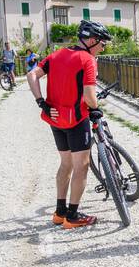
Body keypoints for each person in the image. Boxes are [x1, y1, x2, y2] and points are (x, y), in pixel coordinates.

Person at [26, 20, 112, 229]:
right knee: (81, 166)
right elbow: (90, 96)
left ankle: (59, 212)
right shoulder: (88, 60)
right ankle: (72, 216)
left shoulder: (56, 55)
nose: (103, 48)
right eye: (102, 43)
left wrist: (41, 103)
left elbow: (31, 75)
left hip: (55, 118)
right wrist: (95, 108)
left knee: (65, 164)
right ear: (91, 41)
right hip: (76, 119)